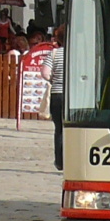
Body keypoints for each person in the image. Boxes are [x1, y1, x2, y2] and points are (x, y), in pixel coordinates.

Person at [41, 26, 66, 170]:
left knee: (59, 129)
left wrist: (54, 80)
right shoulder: (77, 53)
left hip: (57, 93)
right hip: (74, 95)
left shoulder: (54, 54)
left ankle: (59, 160)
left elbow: (45, 73)